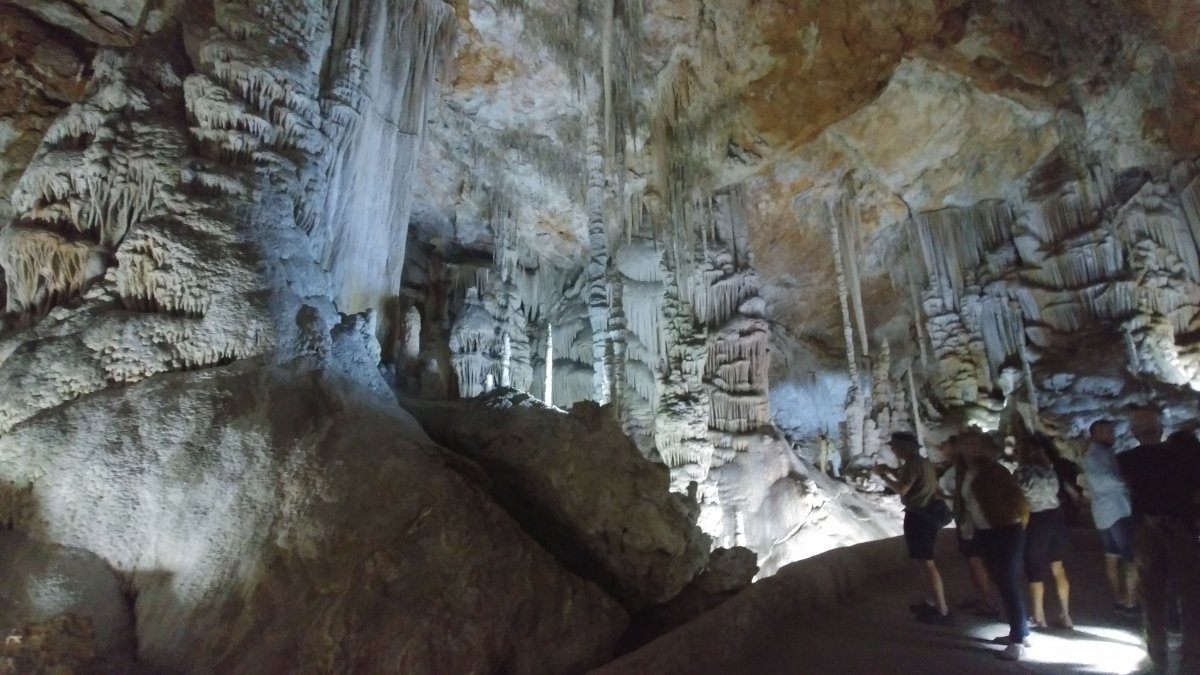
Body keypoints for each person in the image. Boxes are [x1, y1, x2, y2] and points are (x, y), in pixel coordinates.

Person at [1117, 408, 1200, 673]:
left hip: (1147, 530)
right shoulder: (1183, 456)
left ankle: (1158, 659)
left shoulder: (1126, 460)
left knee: (1152, 597)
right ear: (1161, 429)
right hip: (1182, 529)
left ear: (1133, 433)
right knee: (1190, 597)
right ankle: (1192, 657)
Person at [957, 430, 1031, 661]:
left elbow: (1018, 498)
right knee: (1000, 579)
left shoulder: (995, 470)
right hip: (985, 532)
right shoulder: (964, 473)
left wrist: (1019, 522)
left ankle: (1017, 641)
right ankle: (1021, 631)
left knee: (1007, 581)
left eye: (975, 444)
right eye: (966, 444)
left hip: (1007, 529)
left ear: (982, 447)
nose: (970, 449)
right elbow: (966, 503)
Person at [873, 431, 953, 625]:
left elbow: (902, 489)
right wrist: (891, 471)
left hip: (919, 516)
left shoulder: (911, 464)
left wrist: (883, 475)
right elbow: (912, 480)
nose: (893, 450)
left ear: (903, 448)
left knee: (927, 563)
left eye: (895, 447)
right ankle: (931, 601)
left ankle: (942, 611)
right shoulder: (923, 462)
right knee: (922, 562)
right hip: (927, 514)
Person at [1080, 419, 1139, 614]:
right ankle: (1129, 600)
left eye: (1111, 431)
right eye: (1105, 432)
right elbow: (1106, 480)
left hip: (1107, 512)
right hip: (1117, 511)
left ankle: (1120, 599)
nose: (1111, 435)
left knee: (1113, 556)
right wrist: (1129, 483)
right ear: (1095, 434)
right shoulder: (1094, 456)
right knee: (1130, 556)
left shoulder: (1103, 453)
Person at [1014, 436, 1072, 629]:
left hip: (1036, 519)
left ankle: (1039, 616)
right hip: (1055, 518)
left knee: (1034, 568)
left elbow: (1019, 500)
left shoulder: (1021, 473)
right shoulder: (1049, 471)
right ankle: (1066, 615)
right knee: (1058, 567)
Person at [937, 436, 997, 616]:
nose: (941, 447)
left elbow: (963, 497)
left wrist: (942, 496)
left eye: (946, 445)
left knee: (976, 561)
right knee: (974, 561)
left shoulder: (961, 473)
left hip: (970, 524)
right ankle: (982, 598)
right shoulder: (965, 471)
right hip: (972, 521)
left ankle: (988, 601)